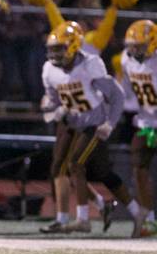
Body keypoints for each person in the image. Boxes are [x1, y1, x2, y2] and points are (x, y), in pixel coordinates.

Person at [39, 21, 145, 237]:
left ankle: (83, 220)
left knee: (77, 165)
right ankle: (135, 211)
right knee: (97, 171)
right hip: (72, 121)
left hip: (94, 122)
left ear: (73, 45)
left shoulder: (90, 65)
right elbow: (52, 98)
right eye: (53, 49)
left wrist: (109, 124)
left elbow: (116, 96)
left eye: (60, 48)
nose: (55, 54)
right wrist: (54, 108)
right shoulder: (49, 69)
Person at [120, 20, 157, 236]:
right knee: (138, 166)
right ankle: (150, 219)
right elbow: (128, 92)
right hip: (146, 123)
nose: (135, 50)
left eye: (140, 46)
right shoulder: (127, 59)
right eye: (133, 45)